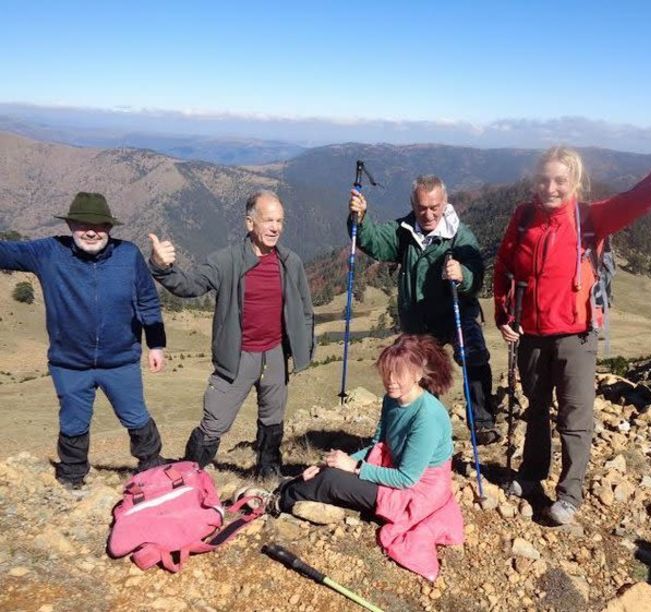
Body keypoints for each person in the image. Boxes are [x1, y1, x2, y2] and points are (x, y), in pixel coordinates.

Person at [493, 120, 651, 524]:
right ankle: (530, 476)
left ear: (574, 180)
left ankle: (569, 495)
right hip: (531, 338)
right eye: (544, 180)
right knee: (537, 410)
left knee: (574, 419)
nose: (550, 188)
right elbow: (505, 267)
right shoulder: (523, 217)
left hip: (576, 337)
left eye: (559, 180)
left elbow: (639, 198)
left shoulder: (591, 218)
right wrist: (504, 314)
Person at [0, 192, 166, 488]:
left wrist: (156, 344)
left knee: (135, 416)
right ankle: (72, 478)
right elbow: (4, 252)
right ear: (70, 225)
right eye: (82, 224)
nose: (91, 231)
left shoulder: (128, 255)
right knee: (73, 423)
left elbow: (147, 301)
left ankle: (153, 468)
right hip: (70, 363)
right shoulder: (48, 252)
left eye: (100, 225)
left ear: (110, 227)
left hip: (121, 361)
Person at [148, 190, 314, 478]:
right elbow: (191, 285)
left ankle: (268, 472)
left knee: (273, 418)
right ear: (250, 223)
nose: (276, 228)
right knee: (215, 422)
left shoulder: (290, 262)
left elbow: (305, 309)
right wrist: (162, 268)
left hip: (274, 354)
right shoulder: (226, 261)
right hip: (238, 357)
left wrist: (303, 347)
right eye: (268, 221)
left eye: (280, 221)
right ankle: (189, 474)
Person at [276, 334, 464, 580]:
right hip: (395, 468)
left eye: (399, 374)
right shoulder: (392, 400)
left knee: (332, 481)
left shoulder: (427, 416)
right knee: (328, 472)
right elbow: (378, 445)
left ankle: (279, 502)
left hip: (418, 490)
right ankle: (289, 489)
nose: (390, 381)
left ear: (418, 373)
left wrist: (353, 467)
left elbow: (407, 478)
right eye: (387, 373)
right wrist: (331, 463)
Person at [348, 175, 498, 444]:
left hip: (456, 311)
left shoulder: (460, 236)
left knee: (472, 354)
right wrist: (360, 218)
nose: (428, 214)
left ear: (445, 203)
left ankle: (483, 422)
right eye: (421, 208)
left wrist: (462, 274)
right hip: (419, 319)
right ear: (413, 205)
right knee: (421, 371)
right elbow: (374, 243)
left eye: (434, 207)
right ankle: (428, 427)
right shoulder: (404, 232)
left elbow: (476, 275)